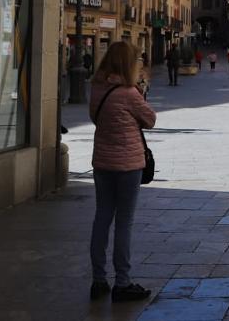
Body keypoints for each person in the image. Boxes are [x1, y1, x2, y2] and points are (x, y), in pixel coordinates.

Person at [88, 41, 155, 303]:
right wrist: (140, 92)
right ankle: (123, 283)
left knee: (101, 219)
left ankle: (98, 280)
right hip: (127, 166)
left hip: (102, 163)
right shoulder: (129, 92)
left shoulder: (97, 88)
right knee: (124, 222)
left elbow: (95, 117)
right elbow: (150, 119)